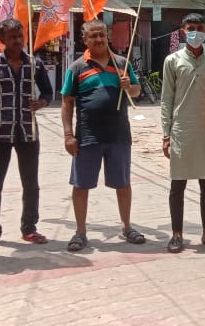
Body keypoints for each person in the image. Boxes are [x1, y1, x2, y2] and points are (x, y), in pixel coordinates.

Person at [61, 19, 144, 252]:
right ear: (84, 39)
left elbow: (137, 91)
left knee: (123, 183)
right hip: (87, 137)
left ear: (107, 36)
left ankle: (127, 227)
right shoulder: (77, 67)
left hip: (119, 135)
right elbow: (67, 102)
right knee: (81, 185)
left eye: (102, 35)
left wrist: (129, 86)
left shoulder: (122, 64)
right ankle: (80, 232)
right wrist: (68, 135)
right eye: (93, 35)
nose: (98, 39)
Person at [0, 19, 55, 249]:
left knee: (31, 184)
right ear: (2, 39)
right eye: (12, 37)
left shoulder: (34, 64)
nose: (17, 41)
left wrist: (41, 102)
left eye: (20, 36)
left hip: (27, 132)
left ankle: (29, 228)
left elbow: (49, 92)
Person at [160, 13, 205, 253]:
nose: (196, 32)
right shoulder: (172, 61)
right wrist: (166, 135)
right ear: (183, 31)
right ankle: (176, 234)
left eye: (200, 28)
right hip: (182, 129)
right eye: (191, 28)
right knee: (177, 184)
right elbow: (166, 99)